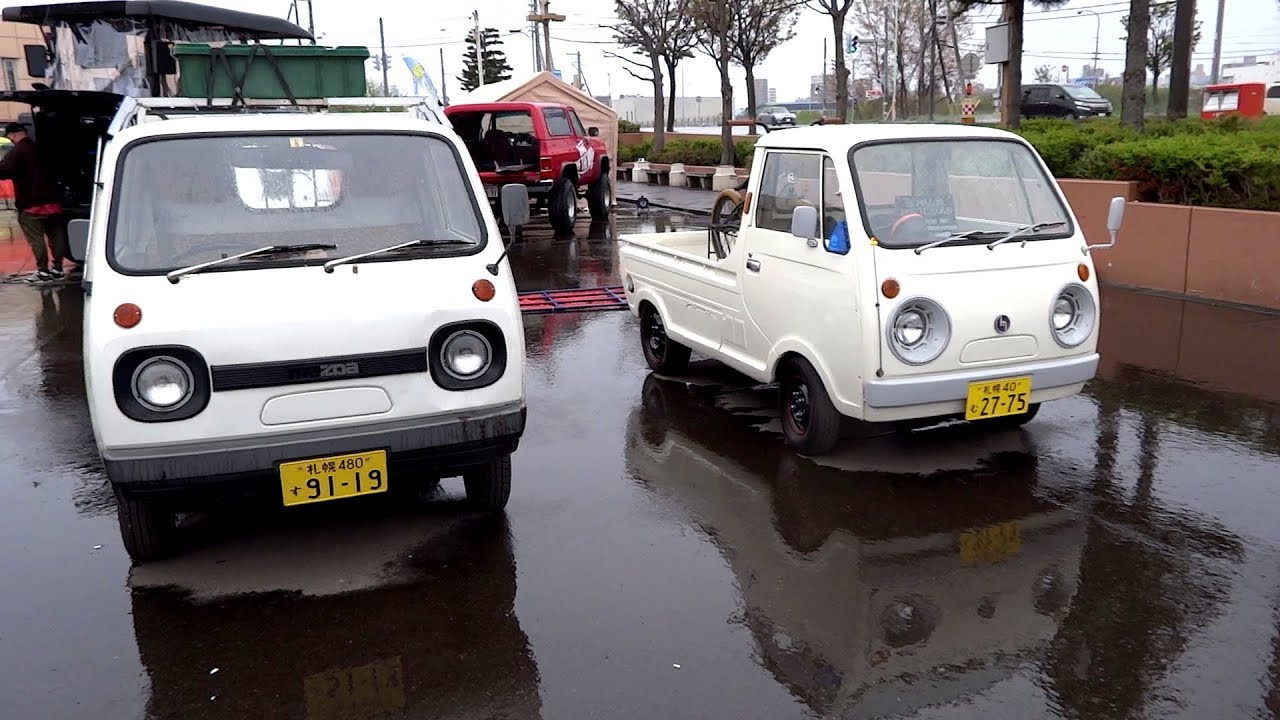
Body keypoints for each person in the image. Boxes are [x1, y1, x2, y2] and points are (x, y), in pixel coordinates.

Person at [0, 121, 70, 282]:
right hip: (53, 202)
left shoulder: (18, 151)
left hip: (31, 204)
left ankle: (43, 270)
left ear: (13, 135)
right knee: (56, 237)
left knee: (36, 239)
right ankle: (58, 268)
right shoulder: (44, 149)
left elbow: (3, 170)